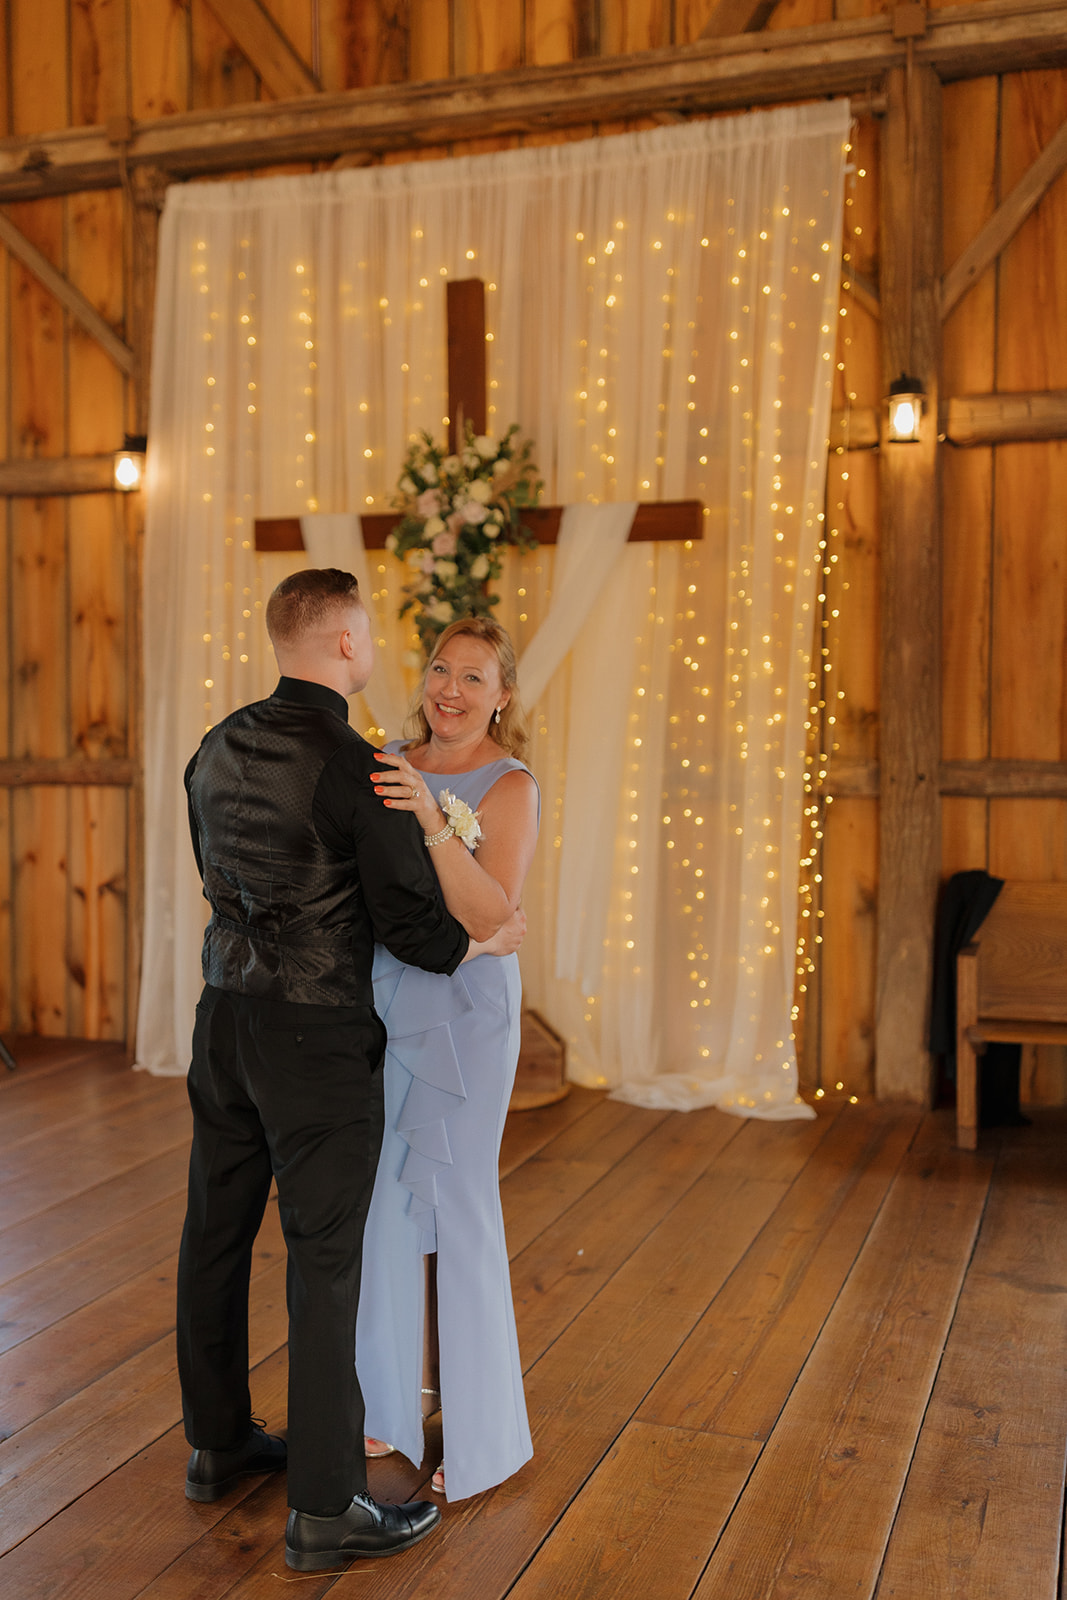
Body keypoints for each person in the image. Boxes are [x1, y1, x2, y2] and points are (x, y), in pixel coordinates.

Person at [176, 569, 519, 1573]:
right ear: (341, 646)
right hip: (314, 1040)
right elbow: (414, 925)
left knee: (214, 1231)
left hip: (222, 1020)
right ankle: (326, 1507)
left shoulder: (216, 745)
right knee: (325, 1262)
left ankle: (218, 1441)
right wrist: (479, 950)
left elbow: (214, 866)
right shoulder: (358, 764)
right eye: (366, 636)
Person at [356, 615, 540, 1502]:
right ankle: (383, 1408)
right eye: (440, 669)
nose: (451, 690)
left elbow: (488, 913)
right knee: (384, 1200)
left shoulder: (509, 787)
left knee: (459, 1204)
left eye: (474, 677)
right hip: (384, 998)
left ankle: (483, 1440)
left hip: (467, 1010)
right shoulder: (384, 760)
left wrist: (432, 818)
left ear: (502, 695)